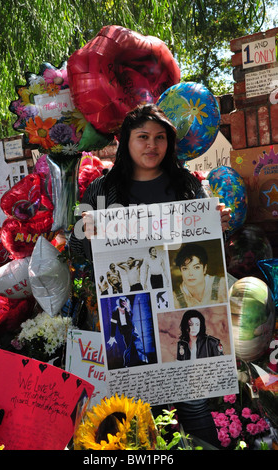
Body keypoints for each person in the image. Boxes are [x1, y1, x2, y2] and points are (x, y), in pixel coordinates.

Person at [69, 103, 231, 447]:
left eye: (160, 138)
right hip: (129, 311)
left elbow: (208, 245)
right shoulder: (101, 189)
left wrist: (221, 224)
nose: (151, 145)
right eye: (142, 137)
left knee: (195, 406)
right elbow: (77, 250)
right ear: (125, 141)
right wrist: (84, 232)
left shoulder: (185, 183)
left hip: (183, 311)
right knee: (140, 414)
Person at [174, 243, 227, 308]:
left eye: (196, 267)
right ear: (180, 271)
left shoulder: (223, 285)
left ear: (204, 269)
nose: (191, 273)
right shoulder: (174, 299)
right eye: (185, 268)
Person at [107, 296, 148, 367]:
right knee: (128, 347)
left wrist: (128, 309)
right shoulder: (116, 310)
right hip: (125, 330)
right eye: (122, 301)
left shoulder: (127, 308)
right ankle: (127, 364)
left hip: (132, 328)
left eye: (125, 301)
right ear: (119, 302)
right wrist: (112, 336)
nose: (124, 302)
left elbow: (131, 316)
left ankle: (144, 359)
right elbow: (113, 323)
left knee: (139, 343)